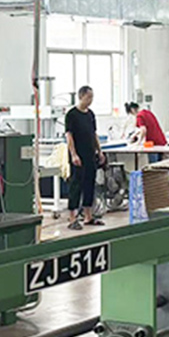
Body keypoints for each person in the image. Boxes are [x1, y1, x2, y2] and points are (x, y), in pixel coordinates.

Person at [65, 86, 105, 230]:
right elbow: (69, 136)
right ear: (81, 97)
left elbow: (94, 134)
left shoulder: (90, 114)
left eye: (92, 97)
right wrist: (73, 154)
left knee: (90, 184)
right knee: (76, 185)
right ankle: (72, 218)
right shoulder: (72, 115)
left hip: (90, 155)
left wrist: (99, 151)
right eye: (88, 97)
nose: (90, 100)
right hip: (78, 156)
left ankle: (88, 216)